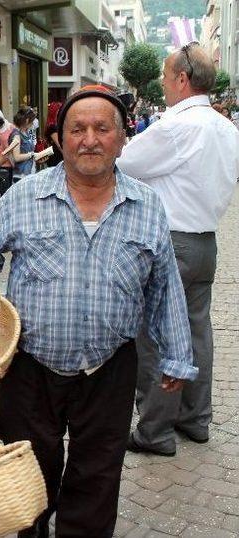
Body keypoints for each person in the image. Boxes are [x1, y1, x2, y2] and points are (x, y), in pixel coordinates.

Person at [0, 85, 197, 537]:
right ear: (59, 139)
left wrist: (177, 354)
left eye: (103, 129)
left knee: (96, 479)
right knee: (27, 479)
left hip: (110, 367)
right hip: (29, 366)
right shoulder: (27, 195)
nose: (90, 139)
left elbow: (165, 287)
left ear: (123, 138)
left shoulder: (147, 206)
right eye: (77, 129)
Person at [118, 43, 239, 456]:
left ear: (182, 80)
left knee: (154, 337)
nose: (165, 86)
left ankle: (154, 431)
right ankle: (195, 419)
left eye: (168, 79)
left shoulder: (176, 124)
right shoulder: (225, 127)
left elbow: (125, 162)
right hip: (205, 241)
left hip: (170, 241)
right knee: (197, 333)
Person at [9, 107, 37, 183]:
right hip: (21, 175)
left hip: (28, 172)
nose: (33, 124)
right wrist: (32, 155)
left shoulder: (26, 133)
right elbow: (16, 157)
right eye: (32, 121)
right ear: (27, 120)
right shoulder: (16, 135)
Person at [44, 101, 64, 167]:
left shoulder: (55, 126)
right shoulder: (52, 127)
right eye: (59, 110)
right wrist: (67, 156)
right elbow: (58, 144)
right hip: (56, 158)